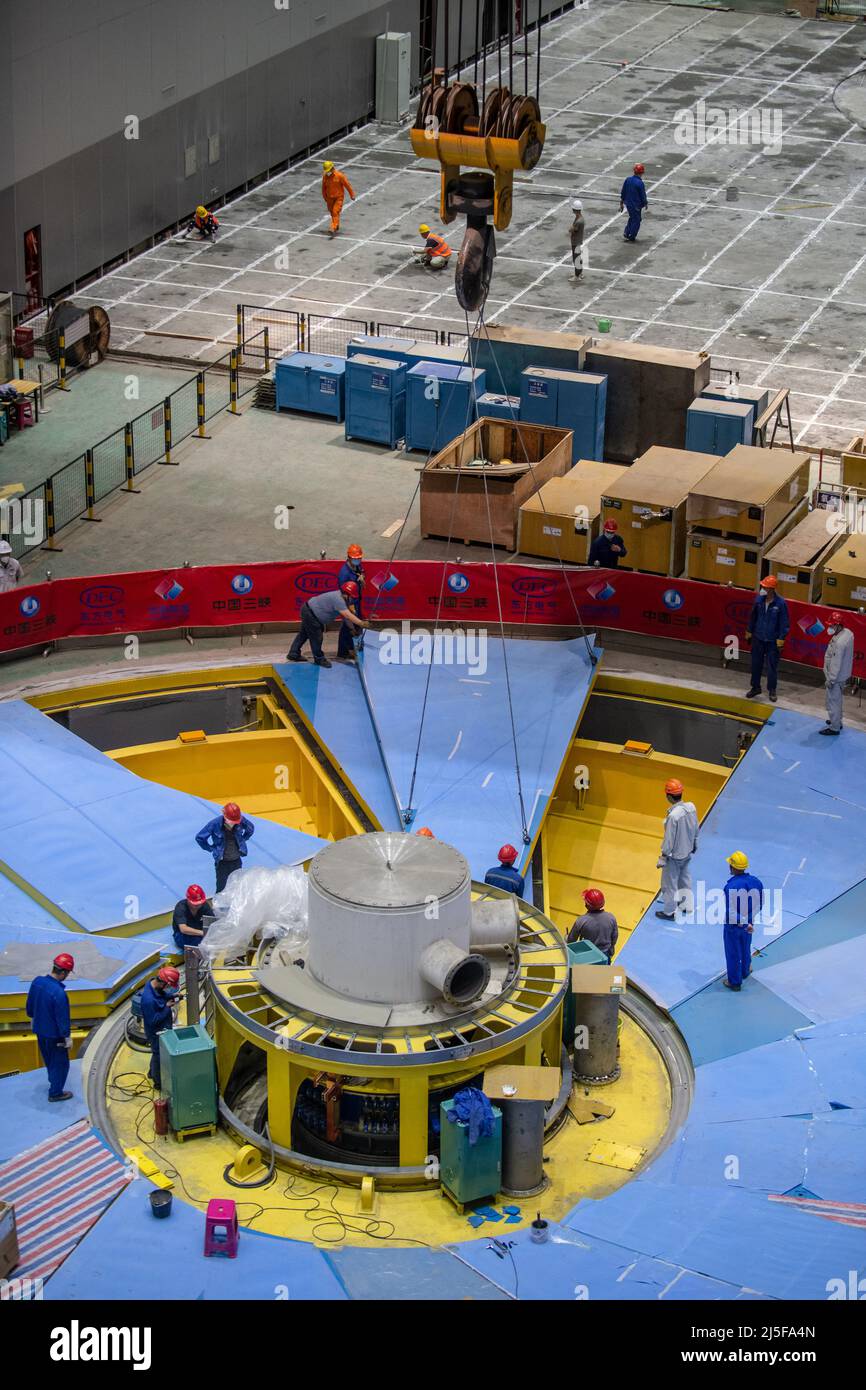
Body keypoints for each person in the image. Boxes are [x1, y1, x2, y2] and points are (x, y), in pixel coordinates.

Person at [25, 953, 75, 1102]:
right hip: (55, 1036)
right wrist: (66, 1037)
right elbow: (62, 1018)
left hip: (40, 1031)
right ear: (64, 972)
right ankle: (55, 1093)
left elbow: (30, 1004)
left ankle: (53, 1083)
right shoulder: (59, 994)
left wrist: (32, 1016)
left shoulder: (37, 982)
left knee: (48, 1059)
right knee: (60, 1064)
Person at [287, 581, 369, 669]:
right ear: (347, 594)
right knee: (317, 637)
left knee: (304, 634)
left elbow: (346, 617)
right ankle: (319, 659)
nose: (351, 599)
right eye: (351, 596)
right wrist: (361, 623)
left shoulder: (343, 597)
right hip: (311, 614)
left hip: (308, 609)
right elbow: (347, 615)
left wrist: (352, 628)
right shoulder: (339, 600)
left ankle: (293, 653)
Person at [655, 778, 699, 920]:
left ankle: (669, 912)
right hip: (687, 851)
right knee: (684, 878)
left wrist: (663, 856)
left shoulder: (673, 816)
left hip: (674, 856)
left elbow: (669, 840)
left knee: (669, 884)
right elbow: (695, 827)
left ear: (668, 796)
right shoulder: (691, 807)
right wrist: (695, 843)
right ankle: (686, 905)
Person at [722, 851, 763, 991]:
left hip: (734, 926)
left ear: (732, 867)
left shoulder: (731, 887)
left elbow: (731, 912)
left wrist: (744, 922)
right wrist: (749, 922)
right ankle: (745, 970)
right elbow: (759, 904)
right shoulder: (756, 882)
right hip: (749, 923)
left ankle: (734, 982)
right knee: (746, 946)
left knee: (733, 952)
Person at [745, 575, 789, 703]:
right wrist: (749, 631)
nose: (762, 588)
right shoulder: (759, 600)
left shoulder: (780, 604)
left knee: (771, 667)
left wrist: (781, 639)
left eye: (765, 587)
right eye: (762, 586)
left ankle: (772, 690)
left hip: (772, 641)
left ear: (771, 589)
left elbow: (784, 623)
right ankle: (755, 687)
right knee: (755, 664)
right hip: (758, 638)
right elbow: (753, 617)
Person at [196, 802, 255, 893]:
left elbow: (250, 829)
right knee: (221, 888)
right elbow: (200, 838)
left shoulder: (241, 820)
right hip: (222, 863)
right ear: (224, 816)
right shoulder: (214, 824)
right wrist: (211, 848)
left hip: (236, 861)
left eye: (235, 822)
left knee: (237, 885)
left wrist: (243, 839)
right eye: (231, 821)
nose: (233, 824)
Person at [140, 967, 181, 1088]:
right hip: (156, 1032)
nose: (167, 988)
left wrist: (172, 995)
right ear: (163, 983)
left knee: (156, 1053)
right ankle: (158, 1082)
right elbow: (153, 1021)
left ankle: (151, 1073)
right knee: (159, 1055)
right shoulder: (148, 1000)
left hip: (163, 1028)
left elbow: (162, 994)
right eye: (168, 986)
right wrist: (167, 1007)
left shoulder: (154, 985)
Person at [821, 610, 854, 736]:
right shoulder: (848, 634)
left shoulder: (840, 643)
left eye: (832, 625)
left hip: (836, 677)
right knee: (838, 700)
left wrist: (831, 679)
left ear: (839, 626)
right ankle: (837, 721)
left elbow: (836, 663)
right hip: (843, 674)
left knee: (833, 701)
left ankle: (834, 728)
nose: (830, 628)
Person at [568, 887, 618, 962]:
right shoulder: (611, 917)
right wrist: (611, 949)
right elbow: (614, 937)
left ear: (587, 905)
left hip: (588, 956)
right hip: (605, 955)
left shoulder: (581, 921)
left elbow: (571, 940)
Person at [336, 544, 366, 661]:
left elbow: (362, 570)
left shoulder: (357, 566)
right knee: (348, 627)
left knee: (356, 625)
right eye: (355, 558)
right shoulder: (344, 574)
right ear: (349, 557)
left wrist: (362, 577)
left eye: (359, 558)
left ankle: (354, 648)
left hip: (357, 600)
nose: (358, 560)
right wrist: (349, 608)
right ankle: (343, 652)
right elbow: (344, 594)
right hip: (348, 602)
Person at [172, 884, 215, 953]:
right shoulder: (181, 907)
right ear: (188, 899)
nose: (198, 905)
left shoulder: (204, 905)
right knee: (200, 944)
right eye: (195, 904)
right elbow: (183, 929)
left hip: (200, 933)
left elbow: (212, 921)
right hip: (182, 935)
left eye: (200, 903)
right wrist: (203, 933)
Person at [321, 161, 355, 237]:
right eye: (327, 171)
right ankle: (336, 225)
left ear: (332, 168)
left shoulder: (340, 176)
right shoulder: (325, 176)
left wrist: (352, 195)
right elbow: (323, 188)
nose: (328, 172)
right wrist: (325, 197)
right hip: (329, 198)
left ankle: (332, 228)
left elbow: (347, 185)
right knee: (332, 212)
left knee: (335, 211)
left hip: (338, 197)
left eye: (329, 170)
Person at [620, 163, 648, 243]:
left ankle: (627, 232)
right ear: (642, 172)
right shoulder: (640, 183)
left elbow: (623, 191)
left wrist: (621, 202)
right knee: (637, 220)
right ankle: (631, 235)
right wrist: (645, 203)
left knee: (632, 217)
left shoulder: (628, 179)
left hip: (628, 204)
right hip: (636, 205)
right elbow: (643, 195)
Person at [569, 200, 585, 277]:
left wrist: (571, 229)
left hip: (576, 241)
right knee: (578, 257)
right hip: (578, 240)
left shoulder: (578, 221)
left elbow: (573, 230)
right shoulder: (579, 218)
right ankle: (580, 273)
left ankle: (577, 276)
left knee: (576, 259)